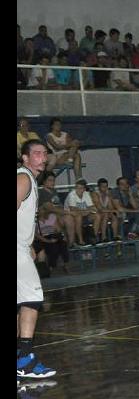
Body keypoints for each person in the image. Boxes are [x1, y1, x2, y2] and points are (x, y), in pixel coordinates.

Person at [18, 139, 57, 379]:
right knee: (33, 299)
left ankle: (20, 357)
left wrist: (29, 244)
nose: (42, 158)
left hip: (21, 246)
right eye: (36, 153)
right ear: (25, 157)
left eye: (44, 154)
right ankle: (25, 359)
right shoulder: (23, 178)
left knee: (20, 302)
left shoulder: (28, 179)